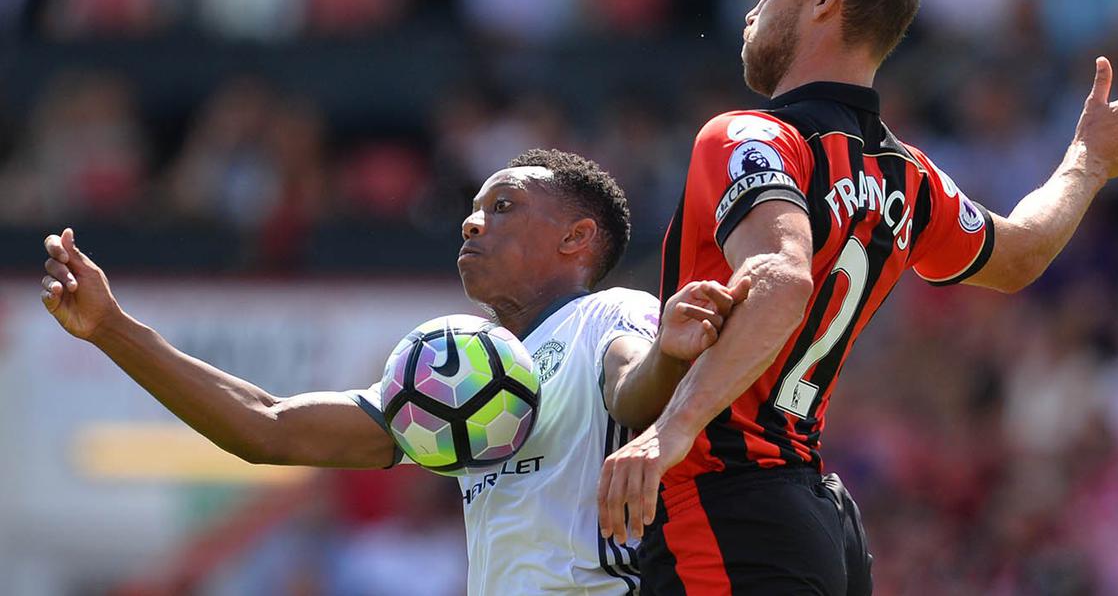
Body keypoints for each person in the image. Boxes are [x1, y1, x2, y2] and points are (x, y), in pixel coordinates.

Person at [598, 0, 1118, 595]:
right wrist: (1085, 163)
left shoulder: (744, 136)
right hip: (816, 519)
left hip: (726, 504)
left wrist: (673, 429)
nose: (753, 8)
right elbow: (1020, 253)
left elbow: (783, 281)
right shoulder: (906, 175)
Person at [40, 148, 745, 595]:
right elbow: (269, 429)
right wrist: (111, 330)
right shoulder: (463, 374)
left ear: (576, 237)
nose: (472, 224)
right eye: (472, 210)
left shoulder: (610, 314)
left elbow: (633, 388)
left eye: (502, 208)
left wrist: (669, 356)